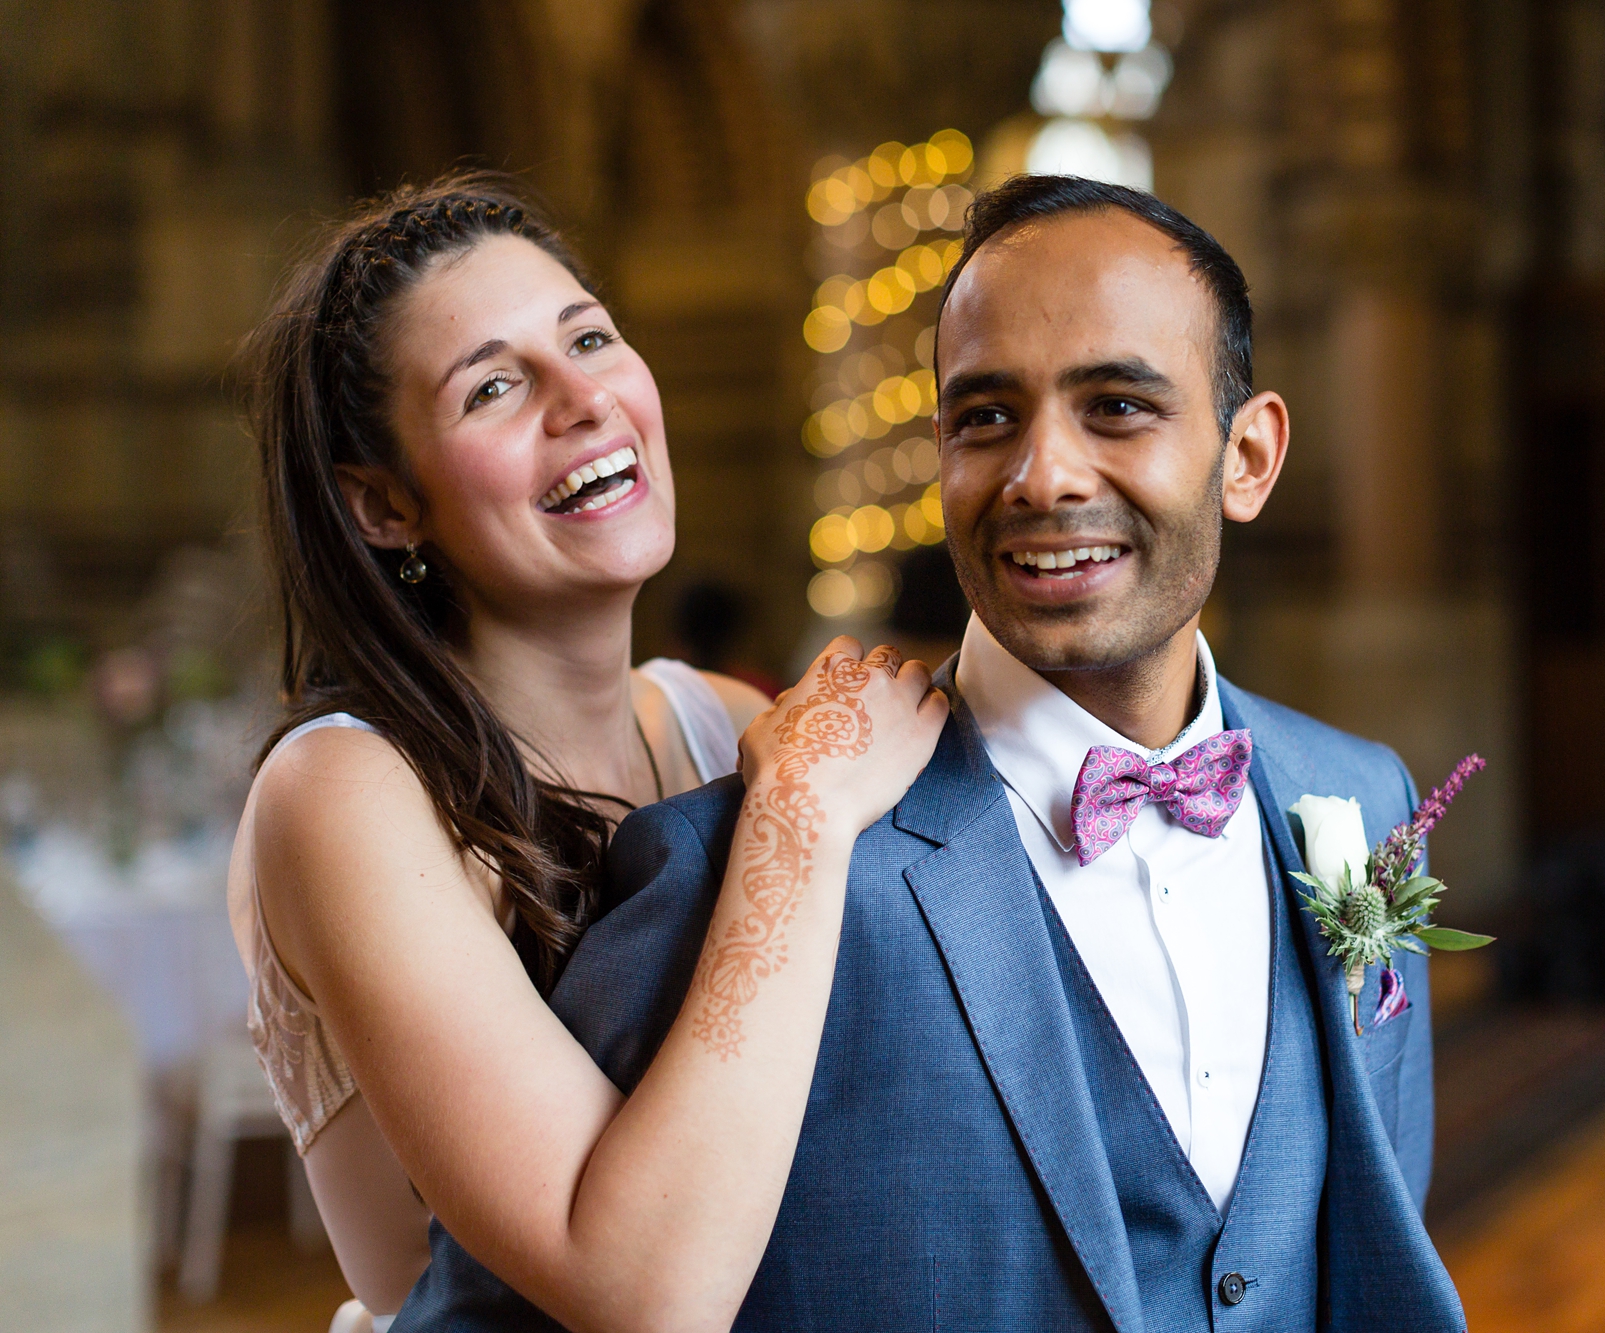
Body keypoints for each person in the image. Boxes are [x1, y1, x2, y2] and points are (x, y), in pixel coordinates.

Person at [399, 175, 1465, 1331]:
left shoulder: (1354, 798)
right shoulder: (727, 870)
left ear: (1246, 457)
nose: (1042, 475)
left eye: (1115, 406)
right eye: (986, 417)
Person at [228, 174, 945, 1331]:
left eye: (591, 339)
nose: (584, 400)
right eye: (495, 387)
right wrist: (799, 821)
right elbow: (637, 1290)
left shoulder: (718, 719)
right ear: (381, 506)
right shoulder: (345, 791)